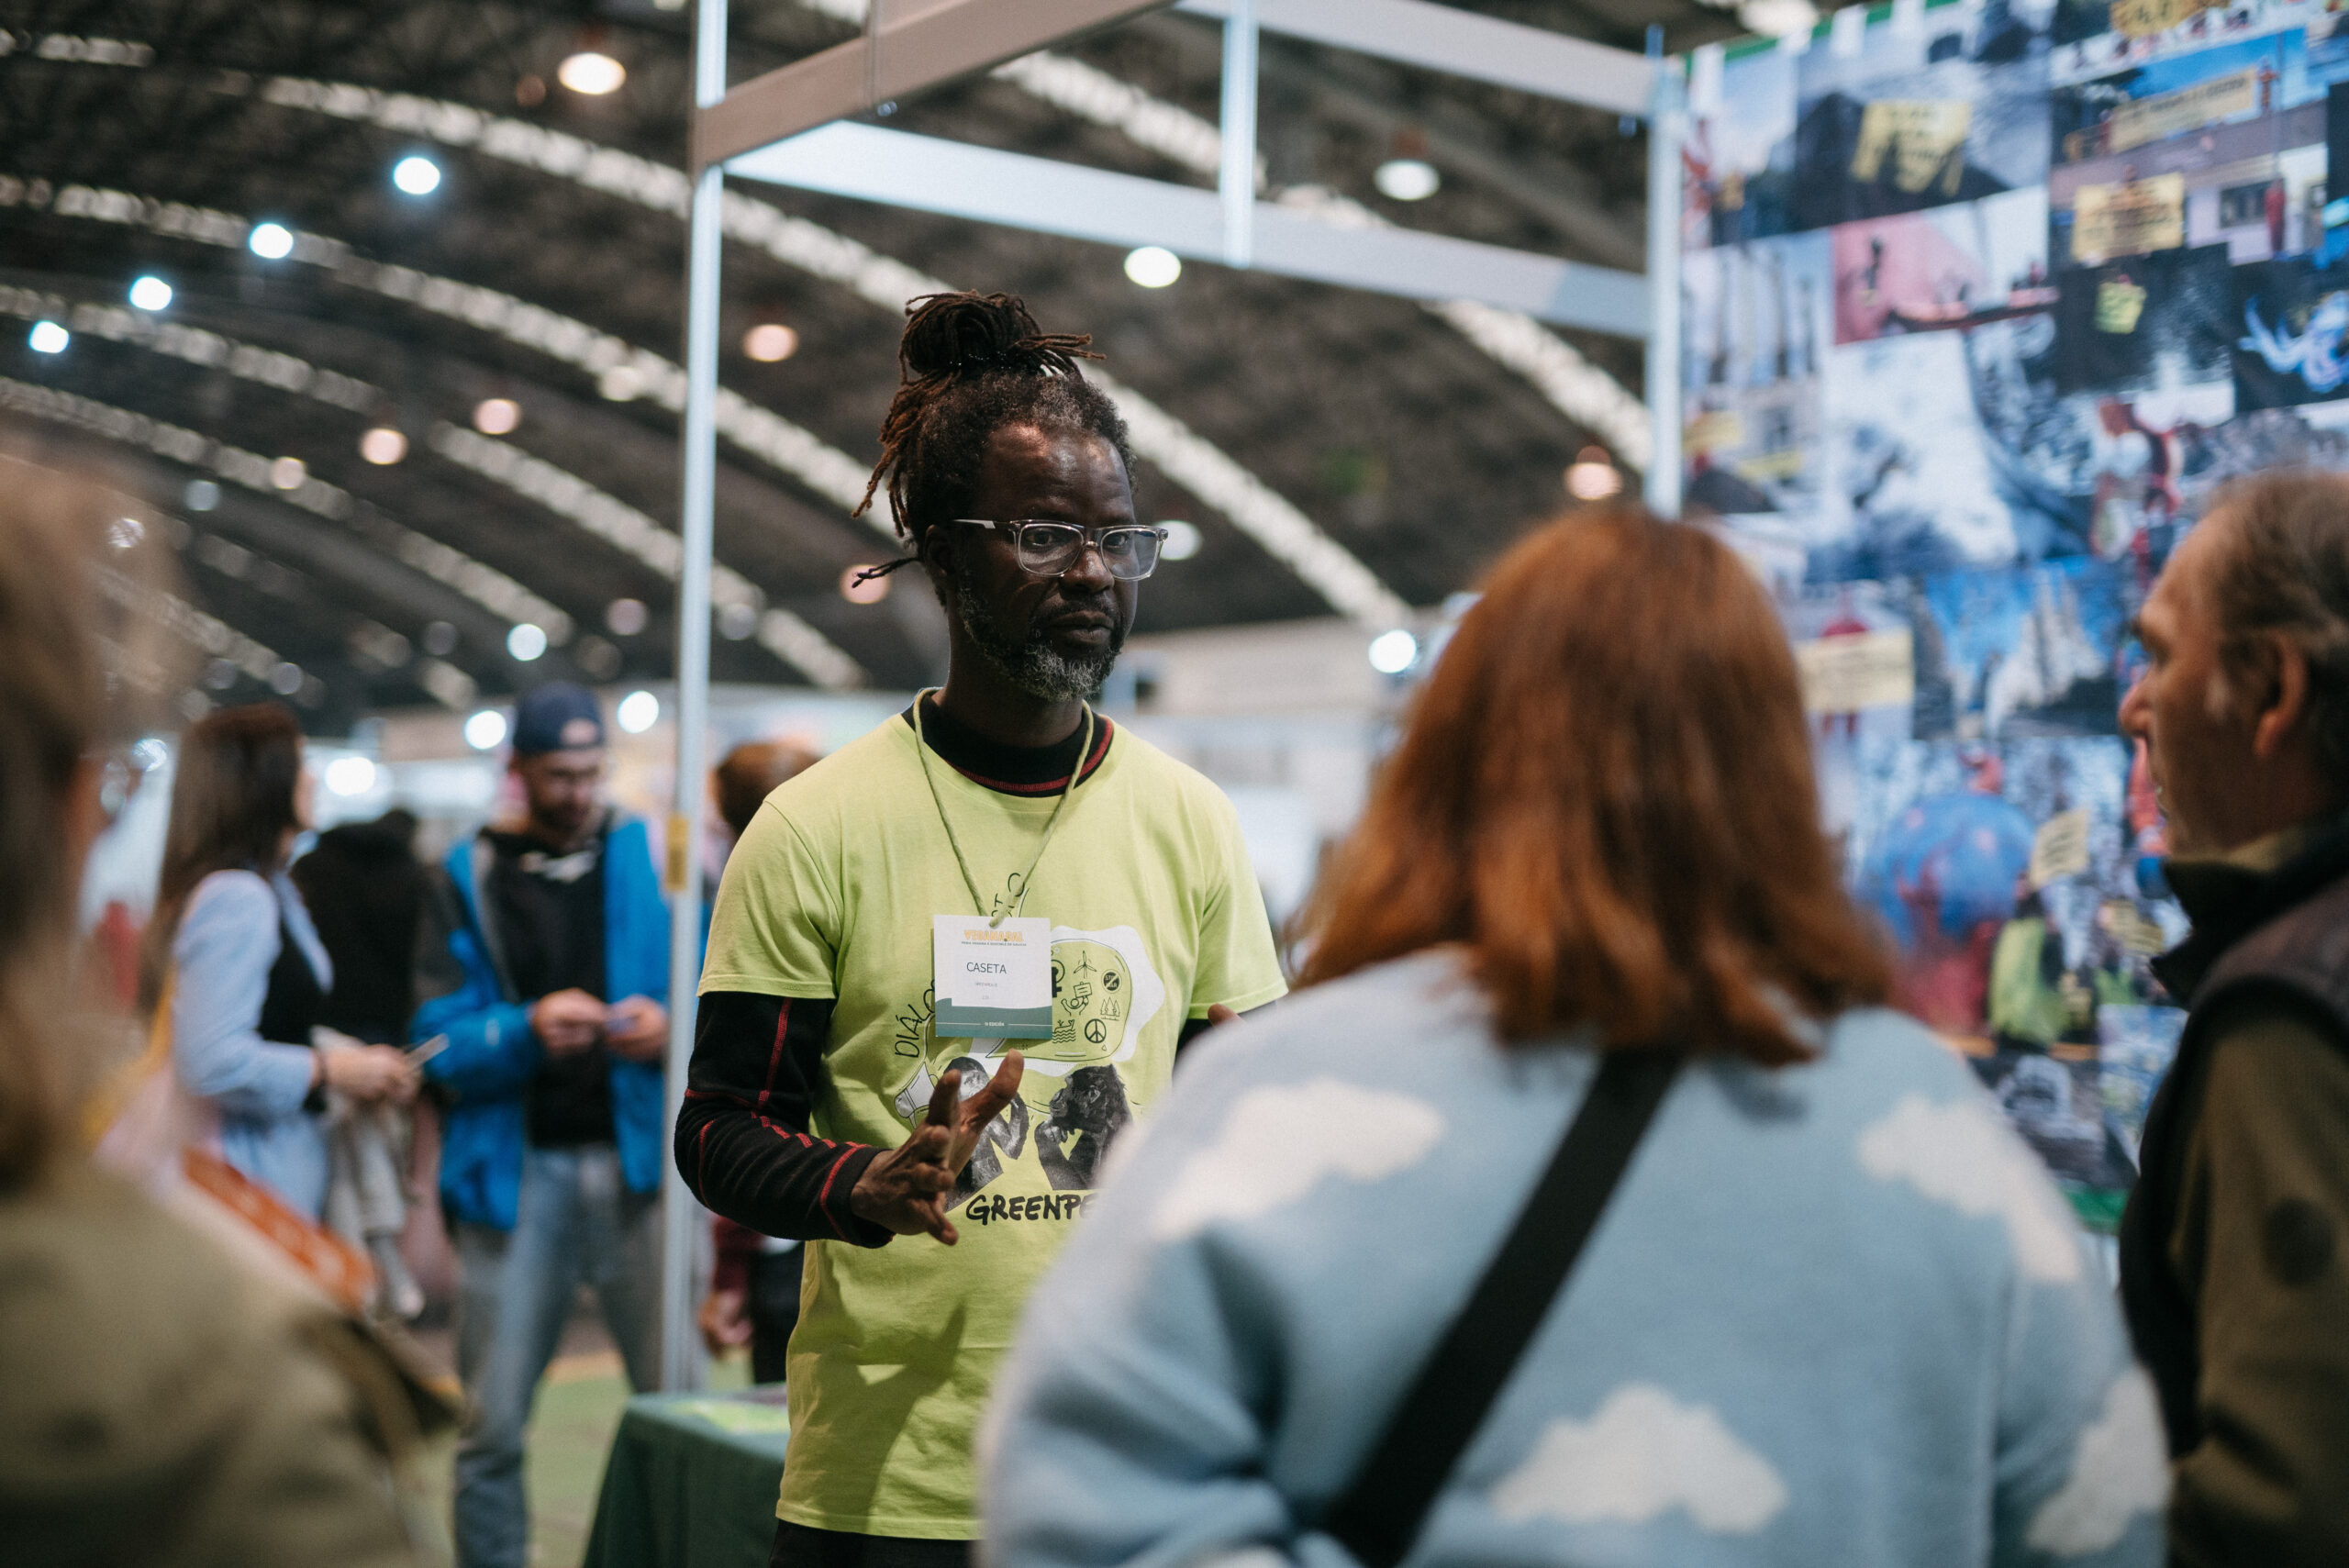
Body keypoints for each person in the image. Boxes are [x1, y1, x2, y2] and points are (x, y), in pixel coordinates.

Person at [983, 507, 2165, 1568]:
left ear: (1450, 759)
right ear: (1778, 777)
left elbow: (1072, 1509)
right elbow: (2105, 1521)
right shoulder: (1939, 1132)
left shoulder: (1263, 1103)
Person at [682, 291, 1287, 1566]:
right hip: (888, 1485)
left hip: (1134, 1470)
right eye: (1044, 536)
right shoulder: (812, 829)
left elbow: (1249, 1130)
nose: (1090, 576)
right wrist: (859, 1184)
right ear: (945, 558)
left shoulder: (1194, 826)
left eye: (1119, 542)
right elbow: (721, 1126)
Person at [0, 457, 429, 1563]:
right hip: (246, 1181)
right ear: (69, 810)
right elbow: (214, 1051)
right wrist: (336, 1071)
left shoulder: (261, 890)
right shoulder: (193, 1383)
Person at [2117, 470, 2349, 1563]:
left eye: (2160, 655)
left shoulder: (2281, 1020)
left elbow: (2280, 1518)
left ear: (2273, 692)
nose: (2132, 704)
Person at [415, 682, 672, 1568]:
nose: (578, 791)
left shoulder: (655, 855)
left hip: (644, 1169)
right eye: (559, 774)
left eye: (592, 772)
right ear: (517, 770)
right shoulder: (466, 874)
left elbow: (721, 983)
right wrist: (520, 1032)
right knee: (490, 1428)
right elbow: (433, 1042)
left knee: (680, 1412)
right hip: (514, 1180)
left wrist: (672, 1026)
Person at [155, 703, 417, 1218]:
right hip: (239, 1167)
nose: (313, 778)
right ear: (267, 782)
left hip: (264, 1155)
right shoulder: (238, 895)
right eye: (300, 762)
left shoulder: (267, 886)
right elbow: (211, 1061)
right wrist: (331, 1069)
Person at [699, 740, 821, 1383]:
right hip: (800, 1228)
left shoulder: (760, 914)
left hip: (802, 1232)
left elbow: (748, 1109)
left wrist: (728, 1273)